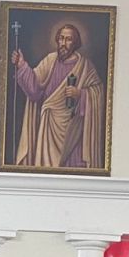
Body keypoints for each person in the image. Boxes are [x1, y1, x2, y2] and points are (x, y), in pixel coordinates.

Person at [10, 22, 105, 169]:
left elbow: (98, 93)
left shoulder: (85, 67)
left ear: (76, 43)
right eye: (61, 38)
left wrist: (81, 94)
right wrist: (22, 65)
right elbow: (34, 89)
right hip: (48, 128)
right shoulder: (50, 61)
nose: (63, 43)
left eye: (68, 39)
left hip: (73, 132)